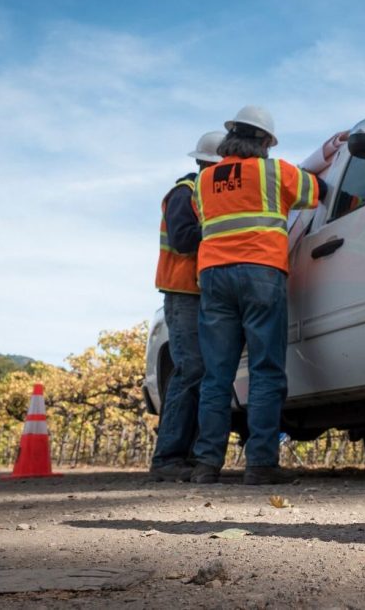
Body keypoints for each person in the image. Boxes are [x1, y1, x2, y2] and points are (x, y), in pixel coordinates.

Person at [190, 105, 327, 485]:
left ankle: (206, 465)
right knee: (266, 370)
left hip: (214, 277)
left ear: (232, 136)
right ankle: (261, 463)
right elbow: (318, 192)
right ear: (265, 140)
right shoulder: (275, 171)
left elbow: (204, 218)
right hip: (260, 273)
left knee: (217, 376)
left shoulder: (203, 182)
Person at [149, 131, 225, 482]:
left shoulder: (201, 193)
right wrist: (223, 229)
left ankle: (188, 456)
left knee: (201, 373)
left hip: (198, 294)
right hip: (183, 294)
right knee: (190, 370)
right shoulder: (186, 192)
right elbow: (182, 239)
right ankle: (168, 458)